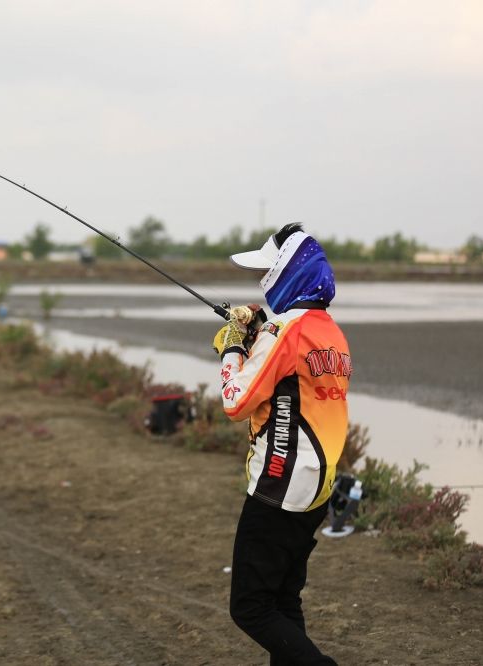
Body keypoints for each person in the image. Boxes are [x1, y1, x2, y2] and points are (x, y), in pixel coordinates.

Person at [213, 223, 350, 665]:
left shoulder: (285, 332)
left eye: (265, 273)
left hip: (279, 484)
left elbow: (235, 401)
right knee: (283, 603)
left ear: (288, 272)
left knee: (250, 607)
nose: (261, 283)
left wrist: (233, 347)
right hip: (318, 485)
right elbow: (293, 384)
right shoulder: (329, 331)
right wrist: (258, 333)